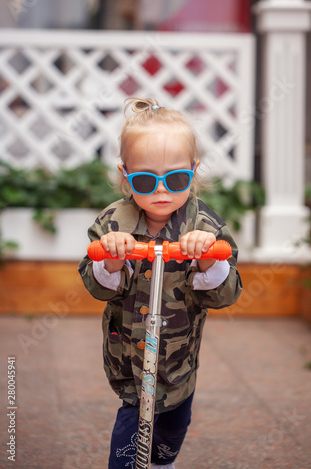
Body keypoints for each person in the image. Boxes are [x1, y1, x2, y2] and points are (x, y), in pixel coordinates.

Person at [78, 97, 242, 469]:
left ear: (193, 172)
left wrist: (206, 256)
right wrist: (113, 256)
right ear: (126, 175)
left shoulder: (205, 225)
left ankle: (163, 462)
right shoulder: (113, 222)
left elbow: (226, 293)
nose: (162, 190)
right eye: (146, 180)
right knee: (129, 438)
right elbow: (96, 285)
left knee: (169, 434)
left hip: (177, 359)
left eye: (177, 178)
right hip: (131, 359)